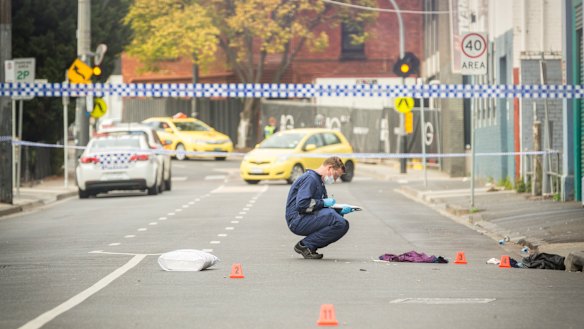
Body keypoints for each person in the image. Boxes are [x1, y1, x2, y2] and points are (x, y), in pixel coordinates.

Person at [285, 156, 355, 259]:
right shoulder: (310, 179)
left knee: (343, 224)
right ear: (329, 168)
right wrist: (323, 203)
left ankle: (308, 246)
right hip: (297, 219)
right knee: (336, 220)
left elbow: (319, 208)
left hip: (305, 217)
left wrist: (338, 210)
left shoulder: (318, 181)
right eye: (335, 176)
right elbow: (302, 205)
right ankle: (305, 245)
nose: (335, 180)